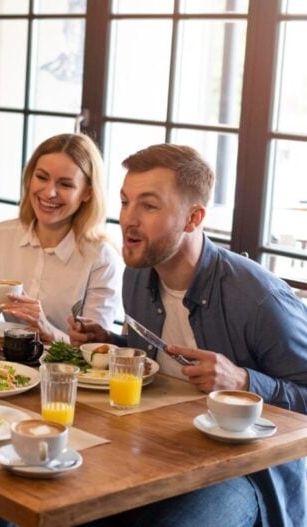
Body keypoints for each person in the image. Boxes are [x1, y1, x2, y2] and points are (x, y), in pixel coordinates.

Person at [69, 143, 307, 527]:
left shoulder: (260, 299)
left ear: (194, 218)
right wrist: (110, 343)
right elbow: (154, 360)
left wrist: (245, 381)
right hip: (158, 446)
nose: (128, 218)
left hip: (243, 473)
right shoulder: (138, 274)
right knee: (39, 498)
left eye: (148, 206)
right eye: (126, 201)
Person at [0, 133, 123, 343]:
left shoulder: (102, 259)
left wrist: (46, 330)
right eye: (41, 177)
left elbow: (94, 350)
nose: (49, 193)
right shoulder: (0, 236)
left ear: (87, 193)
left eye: (65, 184)